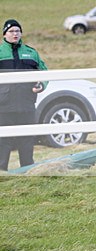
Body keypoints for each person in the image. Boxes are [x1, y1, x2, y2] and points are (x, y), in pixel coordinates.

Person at [0, 19, 47, 171]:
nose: (15, 34)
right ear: (4, 34)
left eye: (18, 31)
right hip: (4, 107)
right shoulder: (0, 53)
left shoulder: (31, 53)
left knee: (27, 141)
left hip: (26, 105)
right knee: (3, 142)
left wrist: (42, 85)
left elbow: (44, 72)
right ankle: (2, 175)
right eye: (11, 31)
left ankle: (27, 172)